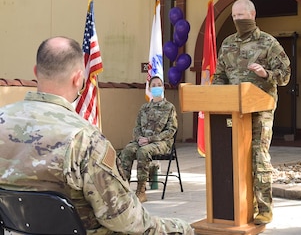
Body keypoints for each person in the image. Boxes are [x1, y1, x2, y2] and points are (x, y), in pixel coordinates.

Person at [0, 36, 193, 235]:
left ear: (35, 72)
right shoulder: (85, 139)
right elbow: (126, 220)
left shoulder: (2, 120)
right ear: (78, 78)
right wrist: (180, 227)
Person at [212, 0, 291, 225]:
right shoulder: (227, 43)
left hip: (260, 108)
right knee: (234, 159)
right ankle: (241, 206)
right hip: (233, 110)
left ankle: (265, 208)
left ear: (252, 15)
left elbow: (285, 75)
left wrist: (266, 74)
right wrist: (216, 96)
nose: (238, 20)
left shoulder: (269, 43)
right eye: (235, 17)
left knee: (258, 157)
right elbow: (219, 76)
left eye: (242, 16)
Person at [119, 76, 177, 203]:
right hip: (142, 141)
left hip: (161, 143)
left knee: (143, 152)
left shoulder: (169, 107)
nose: (156, 87)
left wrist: (150, 139)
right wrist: (139, 138)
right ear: (150, 89)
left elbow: (171, 131)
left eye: (159, 84)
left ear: (162, 87)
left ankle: (141, 190)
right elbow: (137, 127)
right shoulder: (144, 108)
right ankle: (124, 189)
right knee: (127, 150)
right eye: (154, 85)